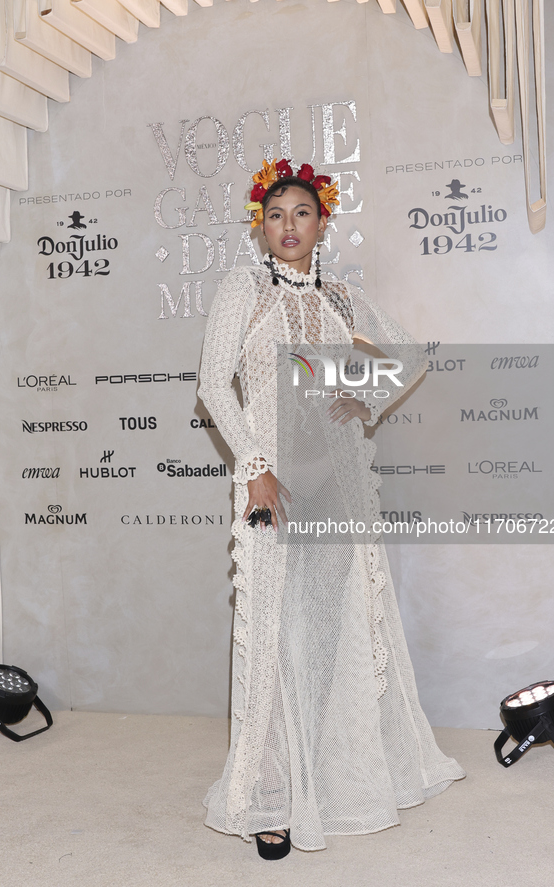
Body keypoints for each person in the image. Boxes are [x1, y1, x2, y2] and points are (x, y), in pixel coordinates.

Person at [197, 159, 465, 859]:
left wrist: (364, 395)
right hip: (274, 489)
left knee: (332, 633)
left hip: (340, 487)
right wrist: (254, 469)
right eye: (276, 214)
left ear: (323, 223)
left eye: (302, 213)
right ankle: (269, 798)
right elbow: (212, 386)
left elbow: (407, 355)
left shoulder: (343, 300)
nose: (289, 225)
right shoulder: (244, 290)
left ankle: (335, 782)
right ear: (262, 224)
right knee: (276, 638)